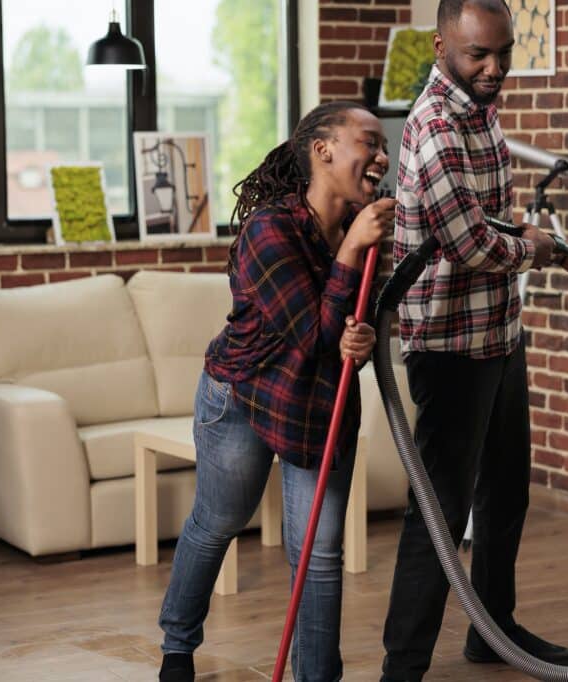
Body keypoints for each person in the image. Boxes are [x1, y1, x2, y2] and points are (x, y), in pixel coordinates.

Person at [380, 1, 568, 680]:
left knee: (505, 491)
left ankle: (492, 629)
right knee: (440, 510)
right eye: (479, 54)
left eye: (503, 53)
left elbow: (489, 219)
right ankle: (403, 667)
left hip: (499, 334)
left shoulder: (481, 113)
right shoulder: (439, 125)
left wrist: (532, 240)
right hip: (449, 347)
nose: (495, 68)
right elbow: (470, 241)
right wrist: (539, 246)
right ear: (443, 44)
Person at [157, 101, 396, 682]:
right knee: (218, 522)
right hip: (241, 396)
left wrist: (364, 334)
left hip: (315, 407)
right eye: (369, 141)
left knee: (318, 552)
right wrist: (348, 254)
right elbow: (313, 335)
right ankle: (177, 649)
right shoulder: (269, 229)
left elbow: (350, 327)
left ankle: (317, 677)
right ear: (323, 150)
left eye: (384, 145)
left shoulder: (369, 233)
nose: (382, 157)